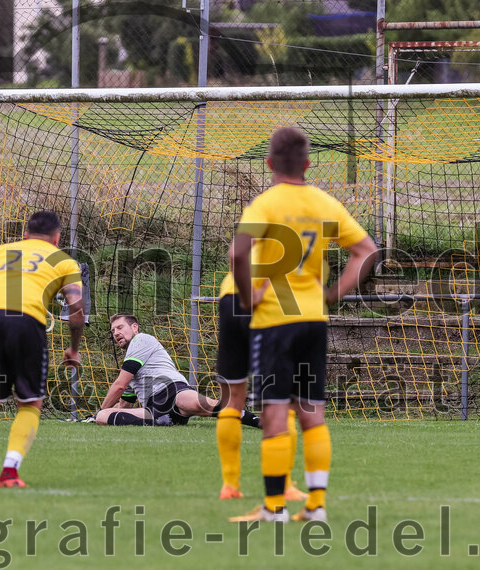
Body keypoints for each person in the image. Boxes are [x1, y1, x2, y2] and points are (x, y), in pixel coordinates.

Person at [228, 127, 379, 523]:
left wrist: (246, 297)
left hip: (275, 321)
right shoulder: (325, 203)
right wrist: (334, 293)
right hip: (314, 319)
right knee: (312, 413)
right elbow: (367, 252)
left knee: (275, 414)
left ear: (269, 164)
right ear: (308, 164)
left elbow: (238, 253)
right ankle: (316, 505)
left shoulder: (265, 204)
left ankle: (275, 508)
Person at [0, 210, 85, 488]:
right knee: (30, 404)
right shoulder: (63, 260)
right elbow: (77, 310)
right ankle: (9, 472)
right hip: (26, 323)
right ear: (57, 237)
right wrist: (73, 348)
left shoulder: (2, 250)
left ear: (25, 234)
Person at [215, 272, 307, 503]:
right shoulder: (290, 236)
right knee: (279, 402)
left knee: (232, 399)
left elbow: (237, 251)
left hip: (231, 295)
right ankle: (285, 485)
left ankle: (230, 485)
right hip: (269, 297)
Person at [96, 313, 260, 428]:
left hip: (173, 391)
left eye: (119, 327)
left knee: (198, 403)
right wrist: (104, 414)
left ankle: (257, 421)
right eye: (113, 331)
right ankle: (159, 423)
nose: (116, 333)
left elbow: (119, 385)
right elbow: (125, 404)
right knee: (102, 418)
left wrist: (101, 410)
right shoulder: (130, 360)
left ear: (134, 327)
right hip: (154, 410)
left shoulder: (142, 340)